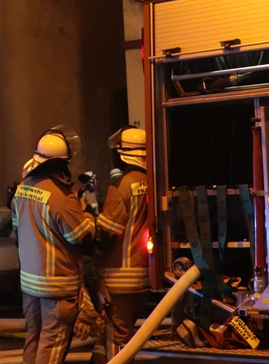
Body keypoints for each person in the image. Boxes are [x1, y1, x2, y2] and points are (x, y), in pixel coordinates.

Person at [13, 126, 95, 364]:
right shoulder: (62, 197)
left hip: (29, 284)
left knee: (34, 339)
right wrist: (88, 211)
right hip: (57, 288)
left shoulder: (23, 188)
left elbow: (17, 229)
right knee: (52, 346)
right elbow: (82, 237)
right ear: (62, 164)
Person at [94, 127, 150, 364]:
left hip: (119, 277)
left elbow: (106, 234)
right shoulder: (153, 182)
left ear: (122, 154)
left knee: (115, 339)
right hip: (144, 276)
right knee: (119, 337)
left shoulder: (121, 186)